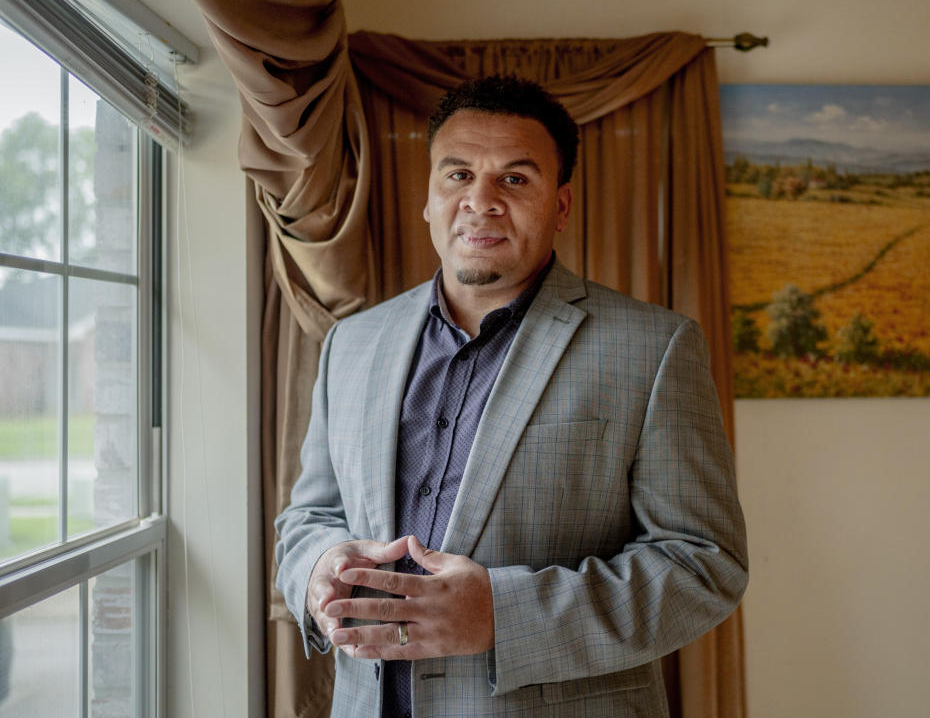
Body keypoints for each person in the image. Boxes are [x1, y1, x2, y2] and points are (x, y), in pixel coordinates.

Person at [273, 75, 747, 717]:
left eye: (515, 179)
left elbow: (703, 565)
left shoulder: (655, 349)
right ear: (429, 198)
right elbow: (307, 519)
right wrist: (320, 567)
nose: (481, 200)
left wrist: (502, 615)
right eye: (458, 174)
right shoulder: (351, 343)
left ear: (561, 205)